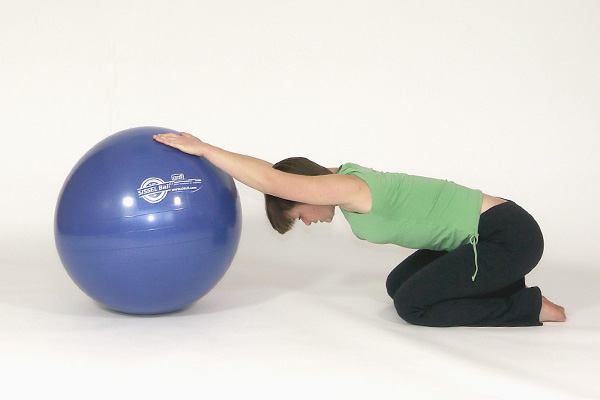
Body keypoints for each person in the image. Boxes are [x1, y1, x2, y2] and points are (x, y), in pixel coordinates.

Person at [153, 132, 566, 327]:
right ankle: (505, 284)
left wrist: (206, 149)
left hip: (505, 237)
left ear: (309, 191)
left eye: (299, 215)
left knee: (413, 306)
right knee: (398, 283)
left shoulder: (350, 188)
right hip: (482, 237)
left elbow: (275, 180)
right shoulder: (342, 180)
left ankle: (527, 306)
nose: (309, 222)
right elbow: (282, 174)